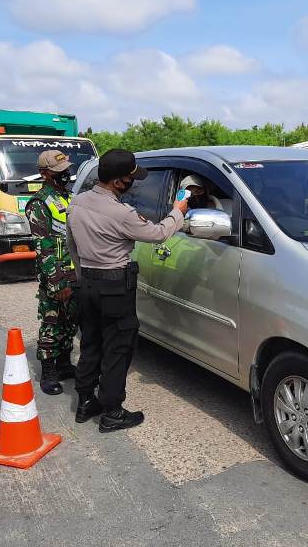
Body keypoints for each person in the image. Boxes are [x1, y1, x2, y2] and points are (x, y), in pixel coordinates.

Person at [67, 149, 189, 432]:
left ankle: (86, 402)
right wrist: (178, 212)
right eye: (131, 178)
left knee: (91, 342)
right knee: (117, 348)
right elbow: (158, 234)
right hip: (114, 287)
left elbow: (72, 244)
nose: (134, 183)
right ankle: (112, 411)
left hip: (86, 283)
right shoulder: (122, 213)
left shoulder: (78, 202)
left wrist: (83, 273)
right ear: (119, 181)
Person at [24, 150, 78, 396]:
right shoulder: (39, 203)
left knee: (70, 321)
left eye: (66, 169)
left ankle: (65, 364)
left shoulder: (68, 197)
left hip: (75, 271)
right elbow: (42, 247)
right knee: (52, 322)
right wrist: (56, 282)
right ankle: (48, 371)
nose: (65, 174)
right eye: (59, 172)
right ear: (45, 174)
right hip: (55, 274)